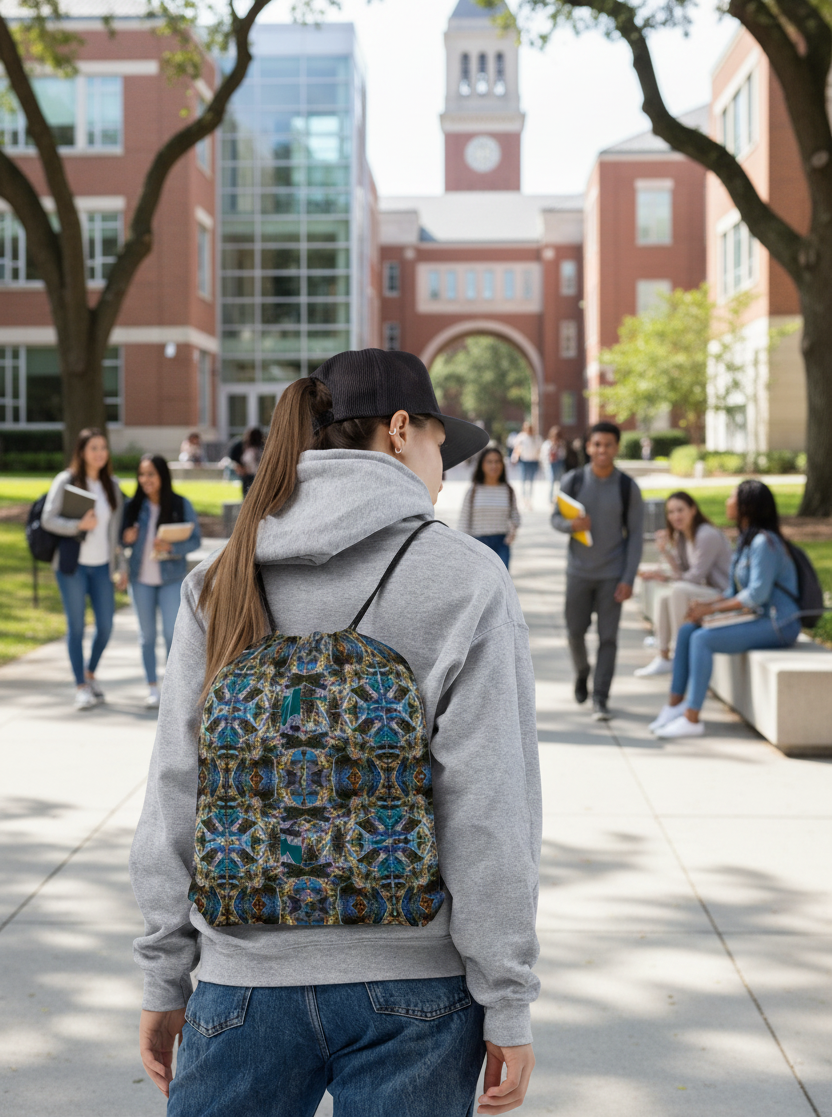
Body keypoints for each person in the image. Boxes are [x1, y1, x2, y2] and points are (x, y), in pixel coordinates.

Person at [130, 349, 541, 1117]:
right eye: (436, 445)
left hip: (241, 980)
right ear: (396, 431)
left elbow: (175, 789)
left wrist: (164, 973)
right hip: (415, 985)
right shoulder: (464, 576)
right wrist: (507, 997)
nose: (445, 471)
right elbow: (488, 808)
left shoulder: (223, 575)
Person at [651, 480, 801, 739]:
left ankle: (692, 717)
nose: (727, 501)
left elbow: (757, 595)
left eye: (733, 497)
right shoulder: (746, 540)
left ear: (747, 506)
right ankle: (674, 706)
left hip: (779, 623)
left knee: (702, 639)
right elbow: (733, 592)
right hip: (758, 618)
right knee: (688, 630)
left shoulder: (764, 543)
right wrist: (705, 607)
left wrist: (711, 611)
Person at [551, 420, 644, 720]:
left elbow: (636, 537)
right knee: (574, 632)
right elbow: (555, 518)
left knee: (608, 638)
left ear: (616, 448)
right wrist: (570, 525)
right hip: (578, 572)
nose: (602, 450)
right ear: (588, 447)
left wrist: (628, 578)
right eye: (597, 444)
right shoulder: (573, 481)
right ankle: (582, 671)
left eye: (608, 445)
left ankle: (601, 697)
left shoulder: (628, 487)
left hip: (612, 576)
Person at [42, 427, 124, 711]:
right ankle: (80, 686)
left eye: (103, 448)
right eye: (94, 448)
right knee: (76, 627)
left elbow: (116, 534)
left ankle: (90, 673)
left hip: (102, 567)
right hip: (72, 566)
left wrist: (120, 565)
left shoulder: (112, 485)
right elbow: (47, 518)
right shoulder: (65, 480)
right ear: (82, 452)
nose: (100, 453)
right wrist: (77, 526)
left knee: (105, 626)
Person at [122, 455, 202, 709]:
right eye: (141, 474)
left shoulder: (179, 504)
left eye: (151, 474)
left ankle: (171, 686)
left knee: (171, 633)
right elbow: (120, 540)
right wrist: (127, 538)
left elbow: (195, 540)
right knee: (147, 636)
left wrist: (173, 546)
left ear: (162, 476)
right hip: (140, 579)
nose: (145, 480)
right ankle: (152, 687)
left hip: (170, 578)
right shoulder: (132, 506)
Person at [635, 491, 733, 677]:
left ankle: (679, 653)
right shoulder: (682, 536)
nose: (675, 516)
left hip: (724, 594)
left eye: (680, 510)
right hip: (704, 590)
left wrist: (666, 575)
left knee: (677, 590)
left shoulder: (706, 535)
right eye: (671, 512)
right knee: (665, 596)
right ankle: (664, 657)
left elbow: (693, 577)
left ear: (693, 510)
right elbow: (682, 573)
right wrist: (665, 553)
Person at [458, 446, 521, 569]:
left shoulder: (508, 490)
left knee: (501, 585)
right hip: (478, 544)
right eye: (489, 462)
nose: (494, 465)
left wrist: (512, 532)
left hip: (501, 544)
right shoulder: (473, 491)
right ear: (482, 465)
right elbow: (463, 522)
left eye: (497, 461)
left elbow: (516, 517)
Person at [511, 422, 542, 510]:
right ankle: (524, 498)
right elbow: (517, 448)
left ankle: (530, 498)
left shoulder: (537, 438)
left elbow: (539, 449)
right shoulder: (521, 437)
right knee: (524, 480)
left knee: (531, 481)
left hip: (533, 461)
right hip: (525, 461)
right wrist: (515, 457)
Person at [228, 426, 264, 496]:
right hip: (248, 476)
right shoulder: (241, 446)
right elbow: (234, 459)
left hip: (259, 475)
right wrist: (240, 468)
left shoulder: (261, 448)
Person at [540, 427, 566, 503]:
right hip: (550, 465)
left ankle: (559, 498)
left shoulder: (561, 444)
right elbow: (543, 455)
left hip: (559, 464)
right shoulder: (547, 444)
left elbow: (563, 455)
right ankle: (550, 499)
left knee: (560, 482)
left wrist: (557, 447)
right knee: (551, 482)